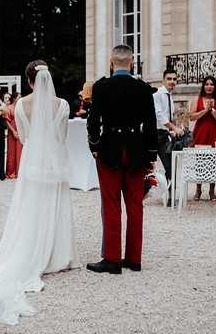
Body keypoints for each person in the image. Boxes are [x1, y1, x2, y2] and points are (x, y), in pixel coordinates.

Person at [0, 60, 80, 325]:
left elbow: (25, 137)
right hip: (55, 160)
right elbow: (61, 136)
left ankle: (34, 249)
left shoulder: (20, 107)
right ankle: (58, 255)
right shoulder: (62, 105)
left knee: (32, 208)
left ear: (28, 80)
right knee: (56, 206)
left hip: (32, 161)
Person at [86, 45, 158, 274]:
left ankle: (112, 259)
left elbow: (93, 121)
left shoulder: (101, 87)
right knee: (135, 205)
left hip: (109, 149)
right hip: (136, 149)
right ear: (132, 63)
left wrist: (94, 146)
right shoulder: (144, 89)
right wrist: (151, 154)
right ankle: (134, 259)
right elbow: (150, 124)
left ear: (111, 62)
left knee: (111, 204)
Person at [189, 76, 216, 201]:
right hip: (201, 132)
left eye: (211, 84)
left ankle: (212, 190)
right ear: (203, 86)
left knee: (214, 162)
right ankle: (198, 189)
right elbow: (192, 117)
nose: (209, 86)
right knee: (200, 161)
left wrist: (213, 111)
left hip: (215, 134)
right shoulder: (197, 99)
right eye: (206, 84)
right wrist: (205, 110)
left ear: (215, 87)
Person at [153, 68, 182, 206]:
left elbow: (169, 116)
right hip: (155, 135)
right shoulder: (158, 94)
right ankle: (142, 193)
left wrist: (175, 128)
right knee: (147, 167)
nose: (172, 81)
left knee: (170, 166)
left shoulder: (170, 96)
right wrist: (173, 127)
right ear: (163, 80)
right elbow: (159, 115)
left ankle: (170, 197)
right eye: (169, 79)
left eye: (174, 79)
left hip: (164, 135)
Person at [4, 92, 22, 179]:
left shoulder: (20, 108)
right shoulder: (9, 108)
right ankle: (10, 172)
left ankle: (18, 172)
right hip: (12, 132)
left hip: (20, 131)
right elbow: (7, 121)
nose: (20, 98)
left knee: (19, 152)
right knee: (11, 152)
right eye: (19, 97)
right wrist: (13, 131)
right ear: (14, 98)